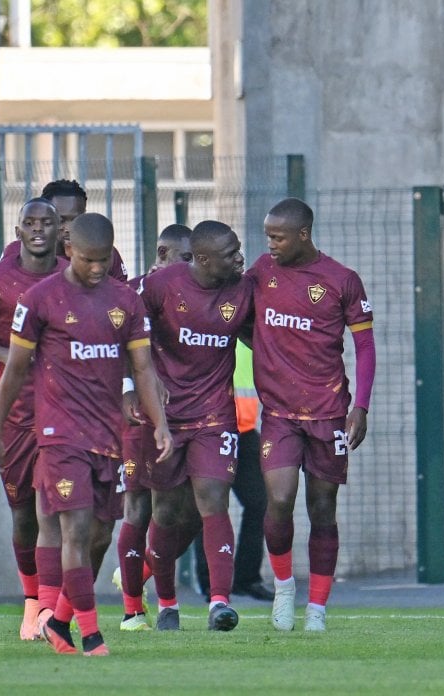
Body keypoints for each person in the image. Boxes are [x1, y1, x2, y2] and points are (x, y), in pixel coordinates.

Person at [0, 212, 172, 657]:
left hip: (108, 433)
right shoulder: (40, 298)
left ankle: (62, 620)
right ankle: (90, 635)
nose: (96, 267)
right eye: (88, 259)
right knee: (75, 527)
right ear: (70, 251)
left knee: (102, 533)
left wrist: (159, 421)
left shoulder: (126, 301)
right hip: (58, 433)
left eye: (103, 259)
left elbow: (142, 366)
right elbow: (12, 370)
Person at [248, 197, 376, 632]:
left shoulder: (342, 280)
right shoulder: (261, 273)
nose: (270, 244)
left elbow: (365, 346)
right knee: (279, 499)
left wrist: (361, 405)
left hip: (329, 413)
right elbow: (236, 317)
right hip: (280, 414)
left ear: (303, 234)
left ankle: (317, 610)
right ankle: (284, 590)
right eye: (267, 236)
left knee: (323, 509)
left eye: (277, 236)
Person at [136, 219, 255, 633]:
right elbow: (130, 336)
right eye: (230, 253)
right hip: (165, 417)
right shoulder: (161, 286)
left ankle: (219, 603)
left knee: (213, 500)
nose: (240, 257)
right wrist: (145, 383)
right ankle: (166, 603)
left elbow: (264, 339)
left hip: (215, 415)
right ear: (202, 260)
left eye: (238, 249)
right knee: (165, 512)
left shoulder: (243, 289)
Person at [0, 197, 66, 640]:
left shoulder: (73, 278)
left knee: (53, 511)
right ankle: (32, 601)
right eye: (30, 223)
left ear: (61, 231)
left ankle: (51, 614)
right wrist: (13, 357)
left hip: (66, 416)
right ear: (17, 230)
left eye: (47, 223)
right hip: (17, 415)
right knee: (24, 516)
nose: (38, 229)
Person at [115, 222, 200, 631]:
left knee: (192, 511)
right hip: (139, 418)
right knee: (138, 506)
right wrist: (128, 387)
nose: (192, 267)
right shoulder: (134, 292)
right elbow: (113, 345)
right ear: (163, 255)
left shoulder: (199, 291)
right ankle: (134, 609)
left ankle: (142, 568)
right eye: (186, 258)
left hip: (188, 416)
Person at [193, 342, 274, 603]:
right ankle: (209, 583)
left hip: (244, 430)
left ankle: (247, 578)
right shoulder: (210, 325)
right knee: (206, 508)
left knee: (260, 501)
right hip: (209, 430)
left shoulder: (248, 330)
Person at [2, 179, 128, 282]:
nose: (68, 228)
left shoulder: (103, 252)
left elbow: (122, 298)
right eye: (61, 220)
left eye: (76, 220)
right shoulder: (16, 251)